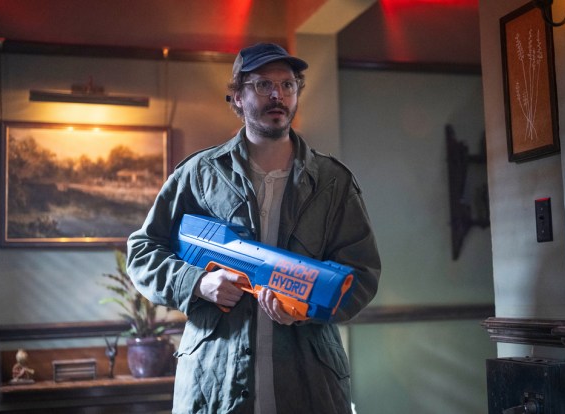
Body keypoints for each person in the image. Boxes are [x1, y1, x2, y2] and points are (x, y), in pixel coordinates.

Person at [126, 42, 381, 414]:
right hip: (213, 385)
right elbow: (143, 251)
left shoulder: (333, 181)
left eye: (287, 85)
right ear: (237, 97)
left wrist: (307, 309)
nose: (277, 95)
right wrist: (198, 283)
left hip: (311, 386)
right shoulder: (198, 173)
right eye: (263, 85)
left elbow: (363, 274)